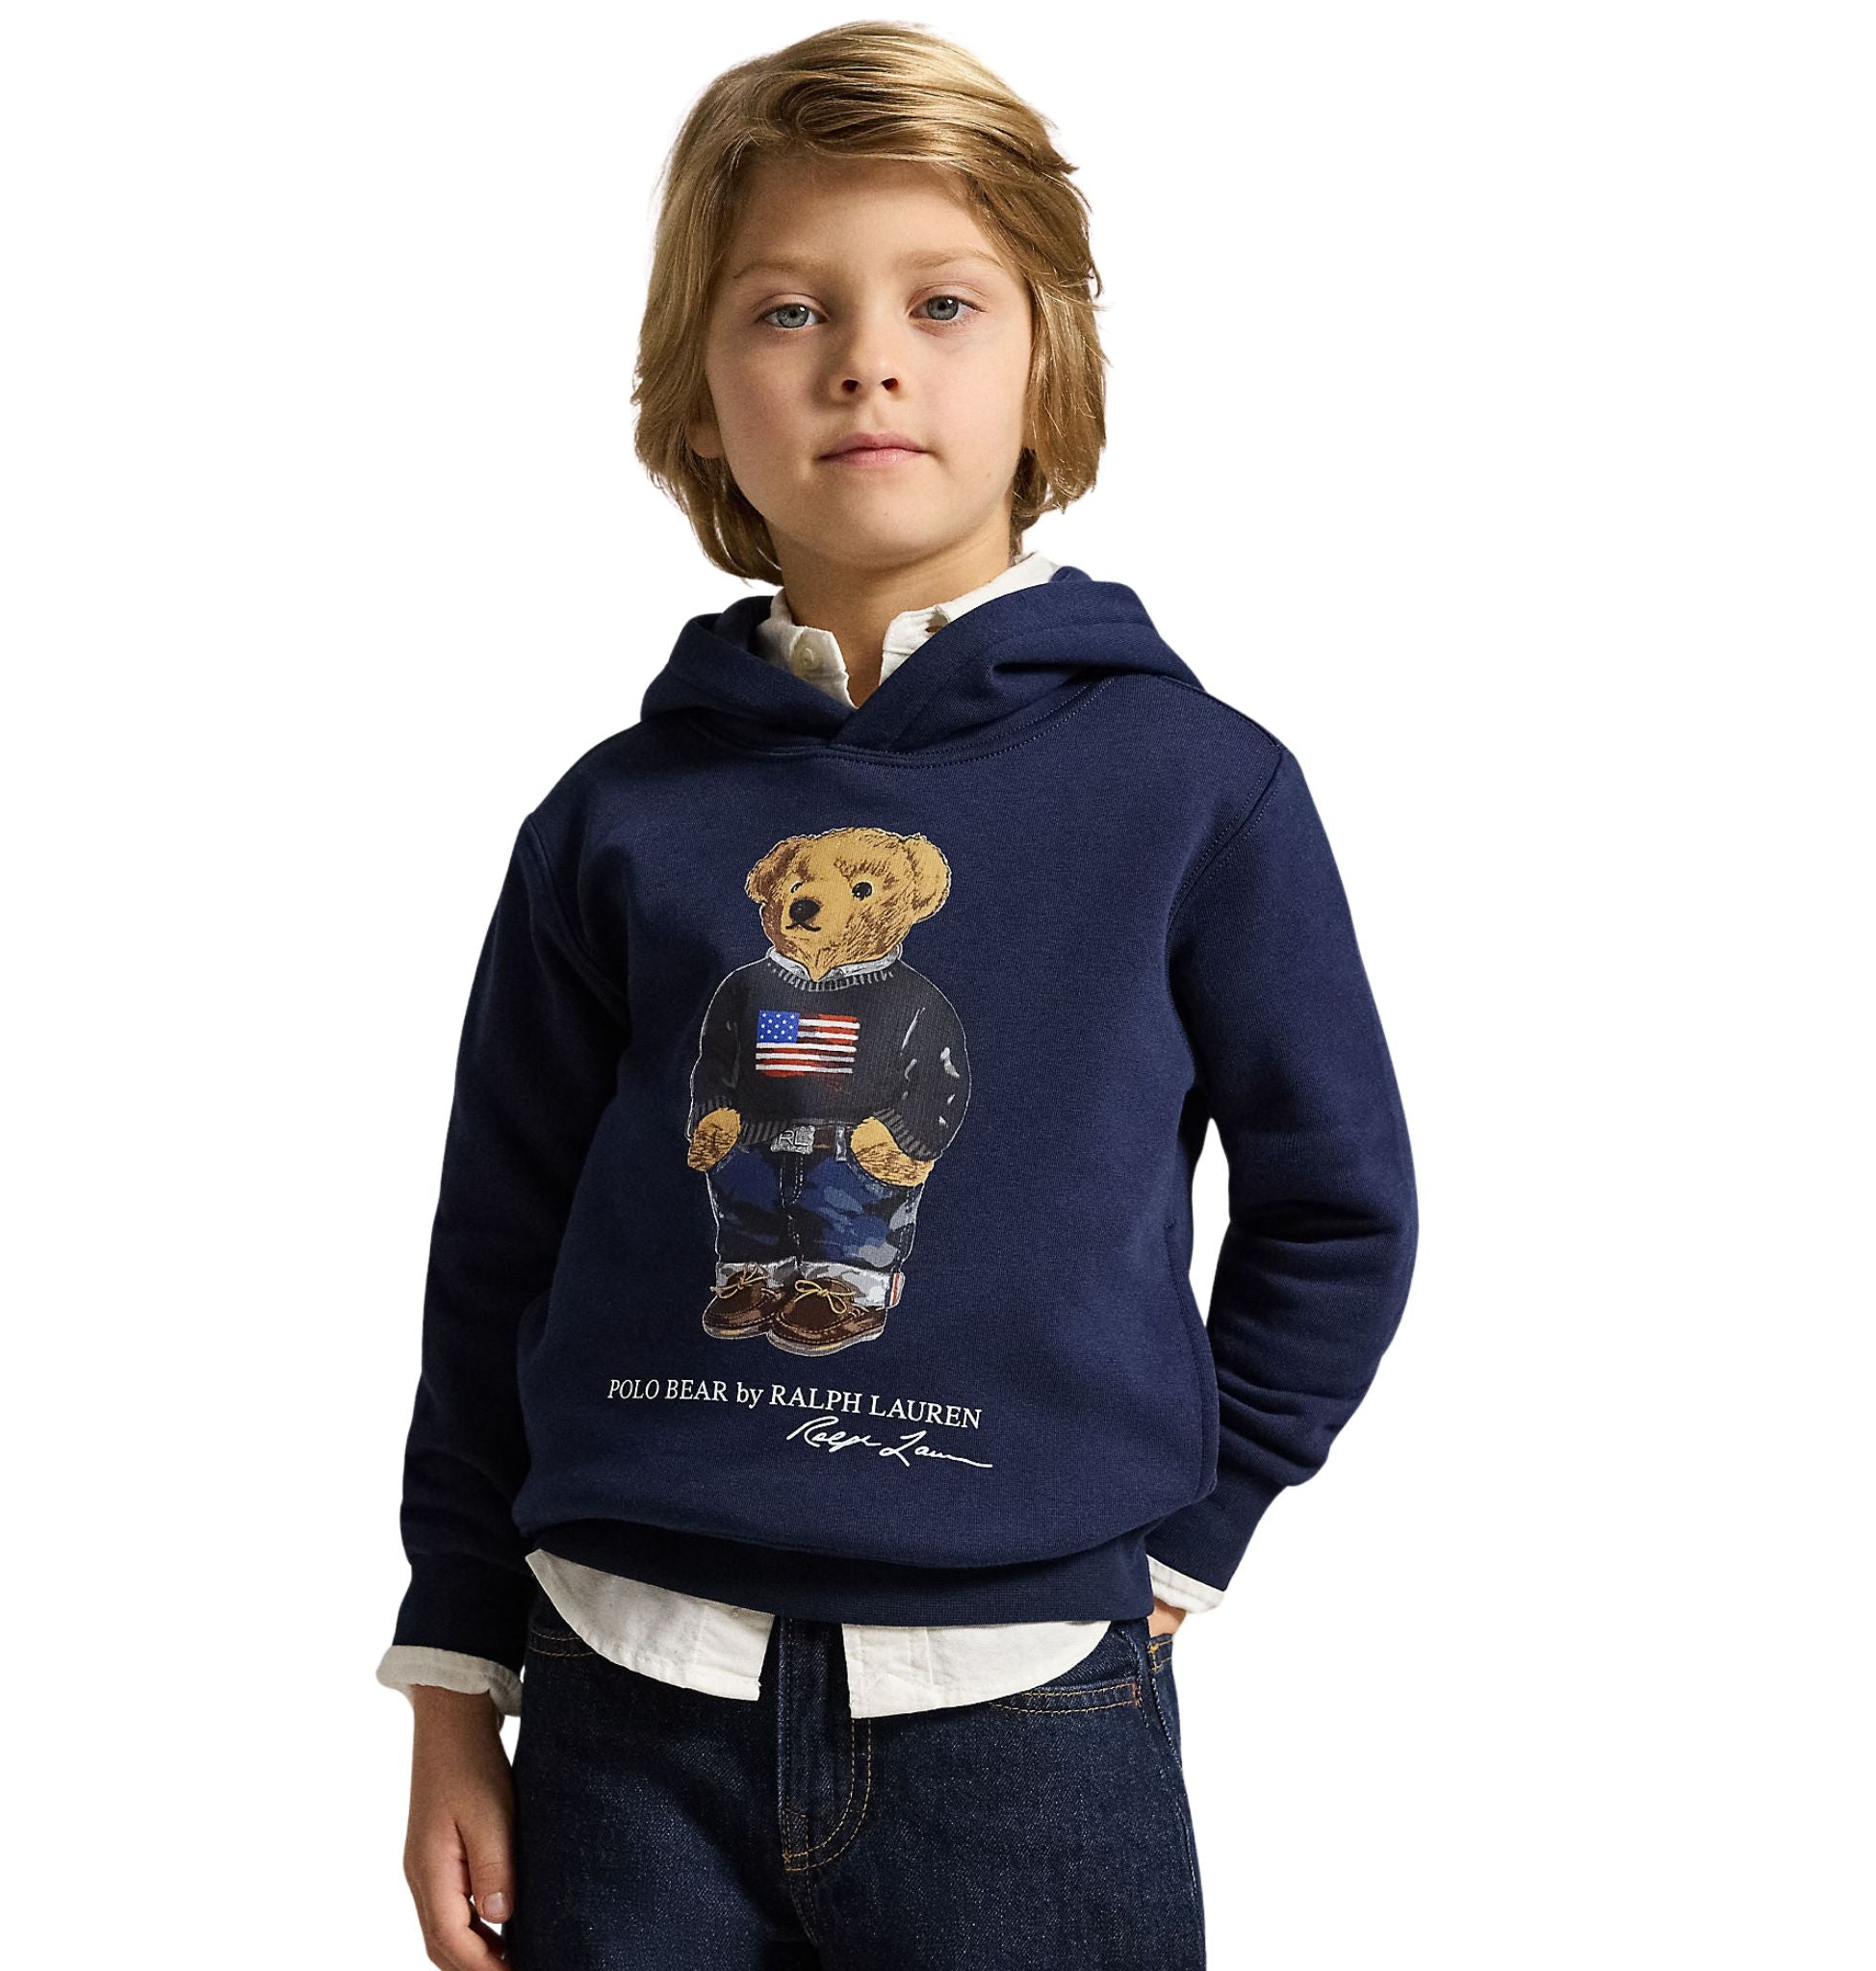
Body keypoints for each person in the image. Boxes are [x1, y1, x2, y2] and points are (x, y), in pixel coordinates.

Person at [375, 21, 1418, 1970]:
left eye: (942, 302)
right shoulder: (611, 821)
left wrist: (1197, 1531)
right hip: (617, 1695)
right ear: (700, 398)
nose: (866, 358)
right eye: (789, 309)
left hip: (1024, 1711)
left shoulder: (1196, 791)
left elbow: (1335, 1204)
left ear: (1047, 368)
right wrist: (454, 1670)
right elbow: (495, 1248)